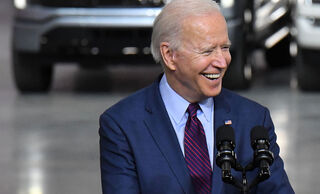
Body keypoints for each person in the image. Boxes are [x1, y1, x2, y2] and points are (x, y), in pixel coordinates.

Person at [99, 0, 294, 193]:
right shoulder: (122, 125)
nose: (221, 62)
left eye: (224, 48)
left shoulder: (253, 120)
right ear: (169, 55)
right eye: (207, 51)